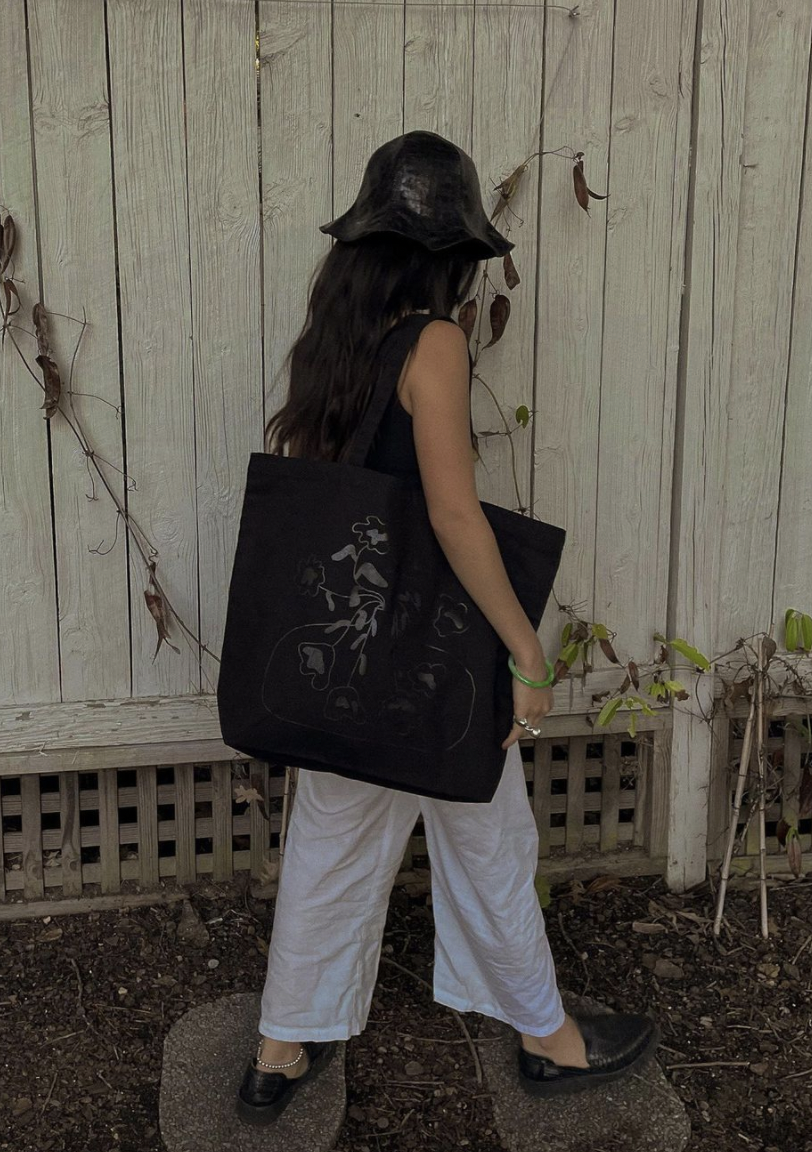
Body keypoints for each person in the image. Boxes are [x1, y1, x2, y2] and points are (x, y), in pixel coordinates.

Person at [235, 130, 659, 1126]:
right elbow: (452, 514)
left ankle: (277, 1052)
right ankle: (547, 1038)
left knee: (328, 843)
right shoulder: (433, 343)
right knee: (488, 836)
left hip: (345, 657)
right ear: (446, 256)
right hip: (430, 662)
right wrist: (523, 647)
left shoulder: (333, 342)